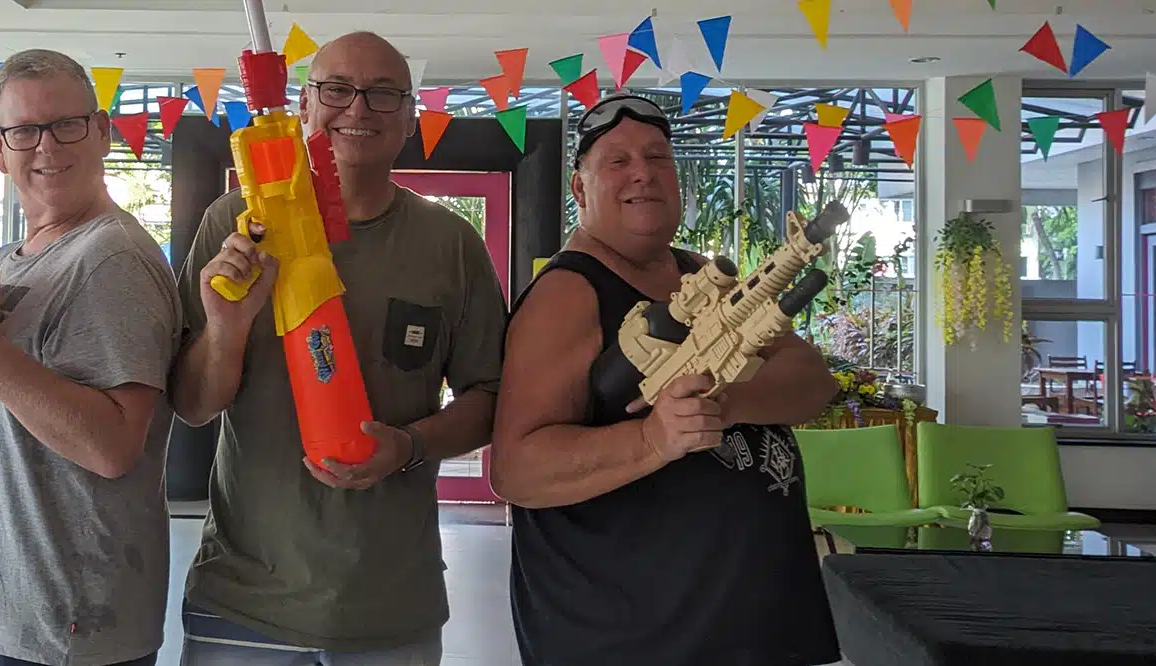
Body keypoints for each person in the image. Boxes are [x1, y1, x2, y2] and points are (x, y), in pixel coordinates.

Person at [171, 30, 507, 666]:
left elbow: (490, 398)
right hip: (242, 603)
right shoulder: (234, 227)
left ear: (411, 117)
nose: (358, 108)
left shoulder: (449, 244)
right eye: (337, 90)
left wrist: (407, 447)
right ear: (303, 106)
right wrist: (225, 326)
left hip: (389, 609)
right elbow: (192, 405)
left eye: (383, 94)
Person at [488, 94, 842, 666]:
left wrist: (728, 401)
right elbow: (517, 471)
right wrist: (653, 439)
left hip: (754, 624)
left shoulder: (700, 273)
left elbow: (812, 381)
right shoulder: (568, 294)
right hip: (632, 637)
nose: (643, 174)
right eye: (618, 161)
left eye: (657, 157)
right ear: (580, 189)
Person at [0, 49, 181, 666]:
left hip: (63, 619)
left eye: (66, 124)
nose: (46, 147)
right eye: (24, 131)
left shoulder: (112, 259)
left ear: (102, 132)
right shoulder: (7, 262)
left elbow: (113, 446)